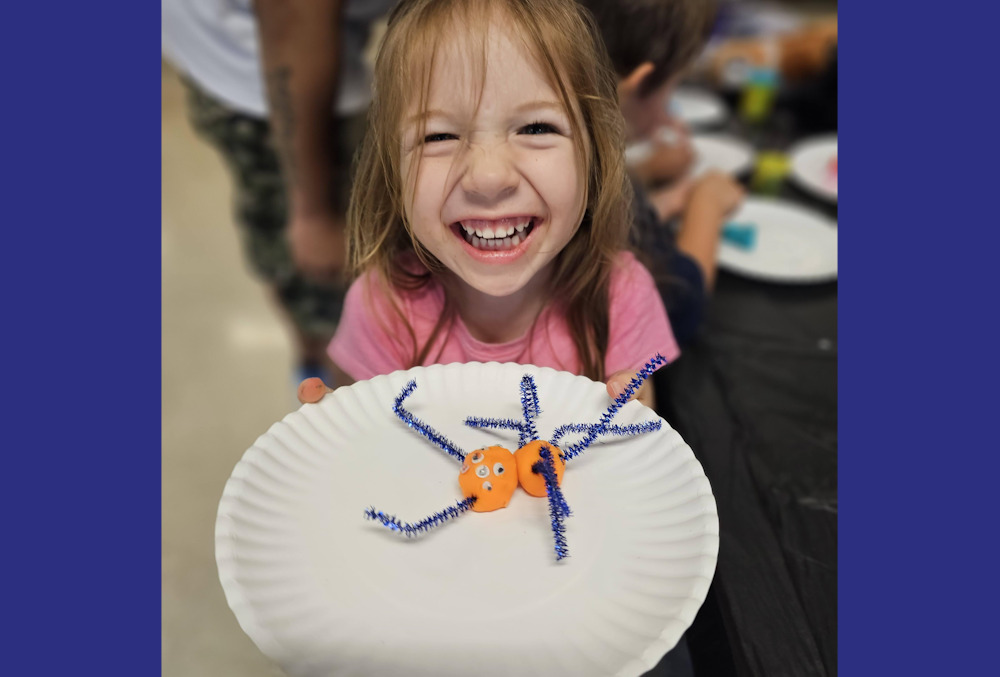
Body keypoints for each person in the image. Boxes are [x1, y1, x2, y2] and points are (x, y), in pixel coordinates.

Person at [300, 0, 684, 415]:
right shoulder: (382, 307)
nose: (487, 177)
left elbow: (640, 461)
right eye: (439, 136)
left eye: (536, 127)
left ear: (595, 155)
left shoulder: (622, 298)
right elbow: (359, 447)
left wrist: (631, 430)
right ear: (393, 170)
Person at [162, 0, 396, 384]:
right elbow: (292, 22)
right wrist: (314, 211)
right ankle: (328, 389)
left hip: (305, 36)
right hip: (269, 60)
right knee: (331, 282)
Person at [578, 0, 745, 345]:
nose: (671, 112)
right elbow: (675, 308)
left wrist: (651, 180)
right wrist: (706, 203)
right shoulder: (595, 185)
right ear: (637, 85)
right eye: (674, 87)